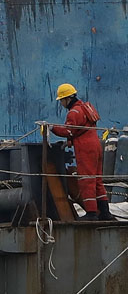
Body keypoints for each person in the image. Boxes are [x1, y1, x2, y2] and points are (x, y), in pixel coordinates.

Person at [52, 83, 111, 221]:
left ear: (67, 99)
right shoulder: (84, 108)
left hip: (85, 148)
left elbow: (68, 130)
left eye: (61, 100)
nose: (61, 103)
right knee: (97, 180)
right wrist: (70, 141)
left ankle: (91, 213)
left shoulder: (74, 112)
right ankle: (105, 212)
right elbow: (80, 130)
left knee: (86, 179)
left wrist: (51, 128)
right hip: (95, 144)